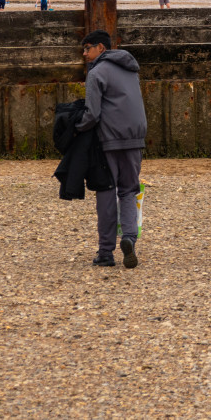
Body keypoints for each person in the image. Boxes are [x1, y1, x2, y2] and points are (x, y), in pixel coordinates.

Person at [77, 30, 148, 268]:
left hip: (109, 141)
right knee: (128, 190)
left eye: (87, 48)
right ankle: (128, 238)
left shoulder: (96, 72)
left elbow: (92, 114)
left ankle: (106, 253)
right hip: (135, 139)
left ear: (101, 48)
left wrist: (76, 128)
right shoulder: (131, 70)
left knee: (106, 193)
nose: (84, 53)